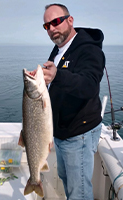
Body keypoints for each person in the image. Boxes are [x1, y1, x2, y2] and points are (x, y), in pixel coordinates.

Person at [42, 3, 105, 200]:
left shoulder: (89, 50)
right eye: (46, 26)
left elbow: (89, 85)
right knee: (67, 181)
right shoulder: (59, 49)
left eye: (56, 22)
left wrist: (57, 76)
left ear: (70, 20)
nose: (52, 28)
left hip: (79, 134)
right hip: (61, 132)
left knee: (79, 193)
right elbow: (57, 81)